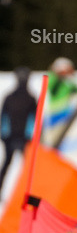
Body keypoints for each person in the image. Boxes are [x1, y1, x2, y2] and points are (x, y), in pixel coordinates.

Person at [0, 67, 36, 196]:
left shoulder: (12, 97)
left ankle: (25, 192)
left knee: (21, 165)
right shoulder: (28, 98)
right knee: (24, 166)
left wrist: (5, 134)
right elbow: (4, 116)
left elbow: (34, 118)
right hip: (18, 136)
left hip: (17, 136)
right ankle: (26, 192)